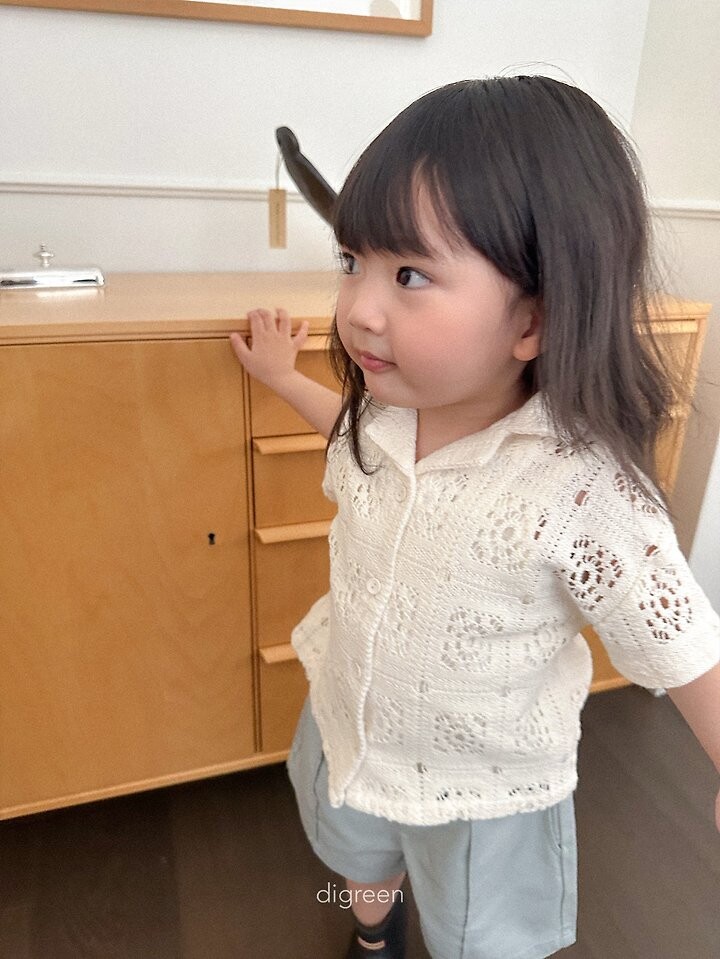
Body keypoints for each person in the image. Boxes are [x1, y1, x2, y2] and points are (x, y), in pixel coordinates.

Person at [230, 76, 720, 959]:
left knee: (479, 933)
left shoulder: (578, 486)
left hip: (483, 784)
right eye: (353, 262)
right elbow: (342, 431)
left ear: (534, 318)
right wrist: (279, 378)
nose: (358, 309)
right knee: (357, 856)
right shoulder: (386, 413)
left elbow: (677, 630)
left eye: (410, 275)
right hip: (353, 715)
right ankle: (375, 930)